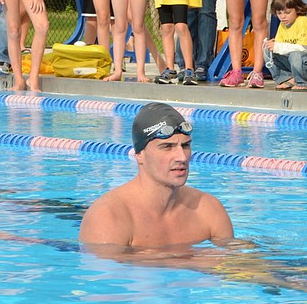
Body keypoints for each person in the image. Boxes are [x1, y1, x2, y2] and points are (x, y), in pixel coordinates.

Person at [79, 102, 234, 248]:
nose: (181, 157)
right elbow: (108, 273)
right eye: (167, 147)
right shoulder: (108, 217)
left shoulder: (208, 208)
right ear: (139, 154)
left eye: (185, 145)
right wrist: (194, 260)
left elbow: (238, 262)